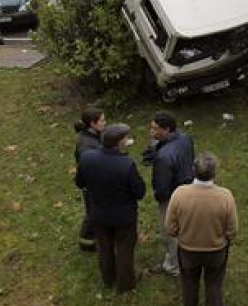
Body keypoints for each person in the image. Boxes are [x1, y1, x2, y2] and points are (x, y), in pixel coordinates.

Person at [165, 153, 238, 306]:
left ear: (193, 171)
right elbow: (233, 230)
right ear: (214, 173)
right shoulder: (225, 196)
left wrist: (182, 235)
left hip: (188, 250)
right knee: (214, 283)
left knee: (189, 284)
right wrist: (225, 239)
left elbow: (170, 227)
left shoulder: (179, 194)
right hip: (216, 251)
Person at [75, 123, 146, 293]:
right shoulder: (126, 164)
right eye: (126, 138)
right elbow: (139, 192)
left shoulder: (87, 158)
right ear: (119, 142)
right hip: (123, 216)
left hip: (98, 213)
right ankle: (126, 283)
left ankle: (108, 278)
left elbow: (80, 182)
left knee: (104, 246)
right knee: (124, 248)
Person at [149, 111, 195, 276]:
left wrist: (160, 199)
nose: (152, 132)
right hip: (189, 188)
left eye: (155, 129)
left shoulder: (163, 157)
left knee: (171, 231)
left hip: (172, 195)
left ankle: (175, 266)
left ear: (166, 129)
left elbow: (162, 187)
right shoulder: (185, 139)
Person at [74, 107, 105, 252]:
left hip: (92, 184)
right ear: (92, 123)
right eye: (102, 121)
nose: (105, 123)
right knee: (93, 213)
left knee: (93, 211)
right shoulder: (87, 146)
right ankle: (87, 240)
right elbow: (88, 167)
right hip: (92, 185)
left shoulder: (92, 136)